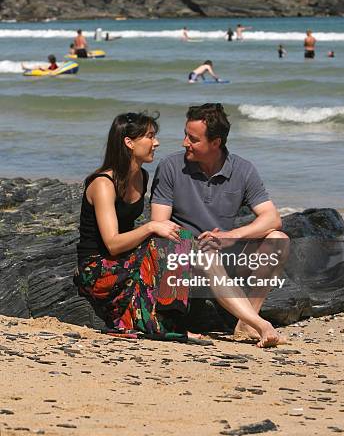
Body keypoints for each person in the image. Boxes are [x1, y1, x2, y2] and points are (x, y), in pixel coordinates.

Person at [151, 103, 289, 347]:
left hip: (226, 255)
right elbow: (159, 224)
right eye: (186, 135)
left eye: (192, 139)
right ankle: (260, 324)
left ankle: (247, 322)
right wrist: (195, 244)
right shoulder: (170, 167)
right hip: (183, 260)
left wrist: (230, 236)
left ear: (215, 143)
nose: (184, 143)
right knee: (206, 254)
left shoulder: (243, 169)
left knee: (279, 239)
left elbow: (271, 218)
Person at [74, 112, 193, 340]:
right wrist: (150, 227)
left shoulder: (142, 177)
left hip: (123, 260)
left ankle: (171, 318)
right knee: (158, 240)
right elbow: (112, 243)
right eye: (149, 136)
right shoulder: (103, 183)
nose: (156, 142)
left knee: (182, 237)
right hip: (97, 268)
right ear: (129, 142)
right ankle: (150, 320)